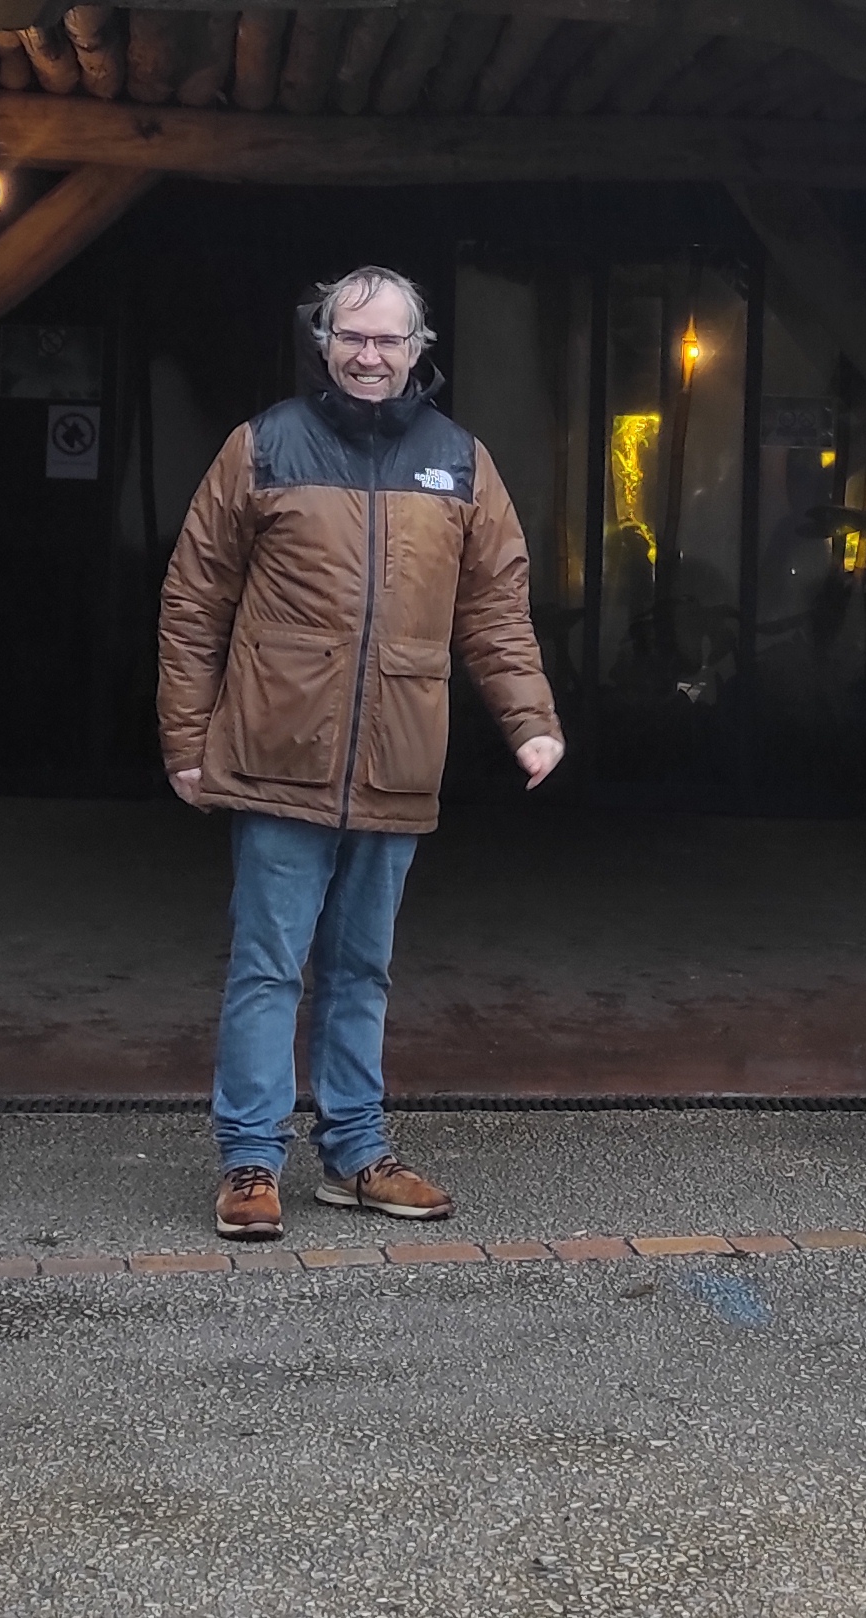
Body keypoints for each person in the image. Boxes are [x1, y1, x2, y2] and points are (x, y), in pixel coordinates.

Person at [160, 266, 566, 1243]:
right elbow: (194, 599)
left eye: (389, 340)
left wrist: (529, 719)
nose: (369, 356)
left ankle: (354, 1153)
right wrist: (185, 739)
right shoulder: (262, 446)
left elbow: (494, 607)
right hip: (275, 755)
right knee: (267, 968)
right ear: (324, 341)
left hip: (396, 759)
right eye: (352, 337)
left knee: (361, 970)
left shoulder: (458, 462)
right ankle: (250, 1161)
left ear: (418, 350)